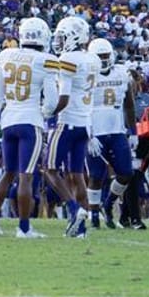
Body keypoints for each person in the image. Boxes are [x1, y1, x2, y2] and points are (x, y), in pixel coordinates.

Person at [0, 17, 61, 239]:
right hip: (30, 122)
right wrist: (44, 112)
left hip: (8, 121)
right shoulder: (46, 59)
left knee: (8, 174)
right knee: (26, 177)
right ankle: (24, 228)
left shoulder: (6, 55)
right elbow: (52, 102)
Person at [47, 16, 98, 238]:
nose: (59, 41)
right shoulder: (92, 59)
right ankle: (81, 229)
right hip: (84, 123)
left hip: (67, 122)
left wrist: (47, 111)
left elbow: (64, 97)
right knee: (76, 174)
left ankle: (74, 210)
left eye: (63, 36)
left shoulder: (68, 58)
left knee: (49, 168)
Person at [85, 38, 136, 230]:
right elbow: (81, 106)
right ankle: (94, 214)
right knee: (96, 175)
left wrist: (134, 132)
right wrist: (88, 135)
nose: (104, 60)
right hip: (95, 131)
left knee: (126, 172)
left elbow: (129, 105)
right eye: (100, 57)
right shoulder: (86, 75)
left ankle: (108, 204)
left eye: (106, 56)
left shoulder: (122, 73)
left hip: (116, 130)